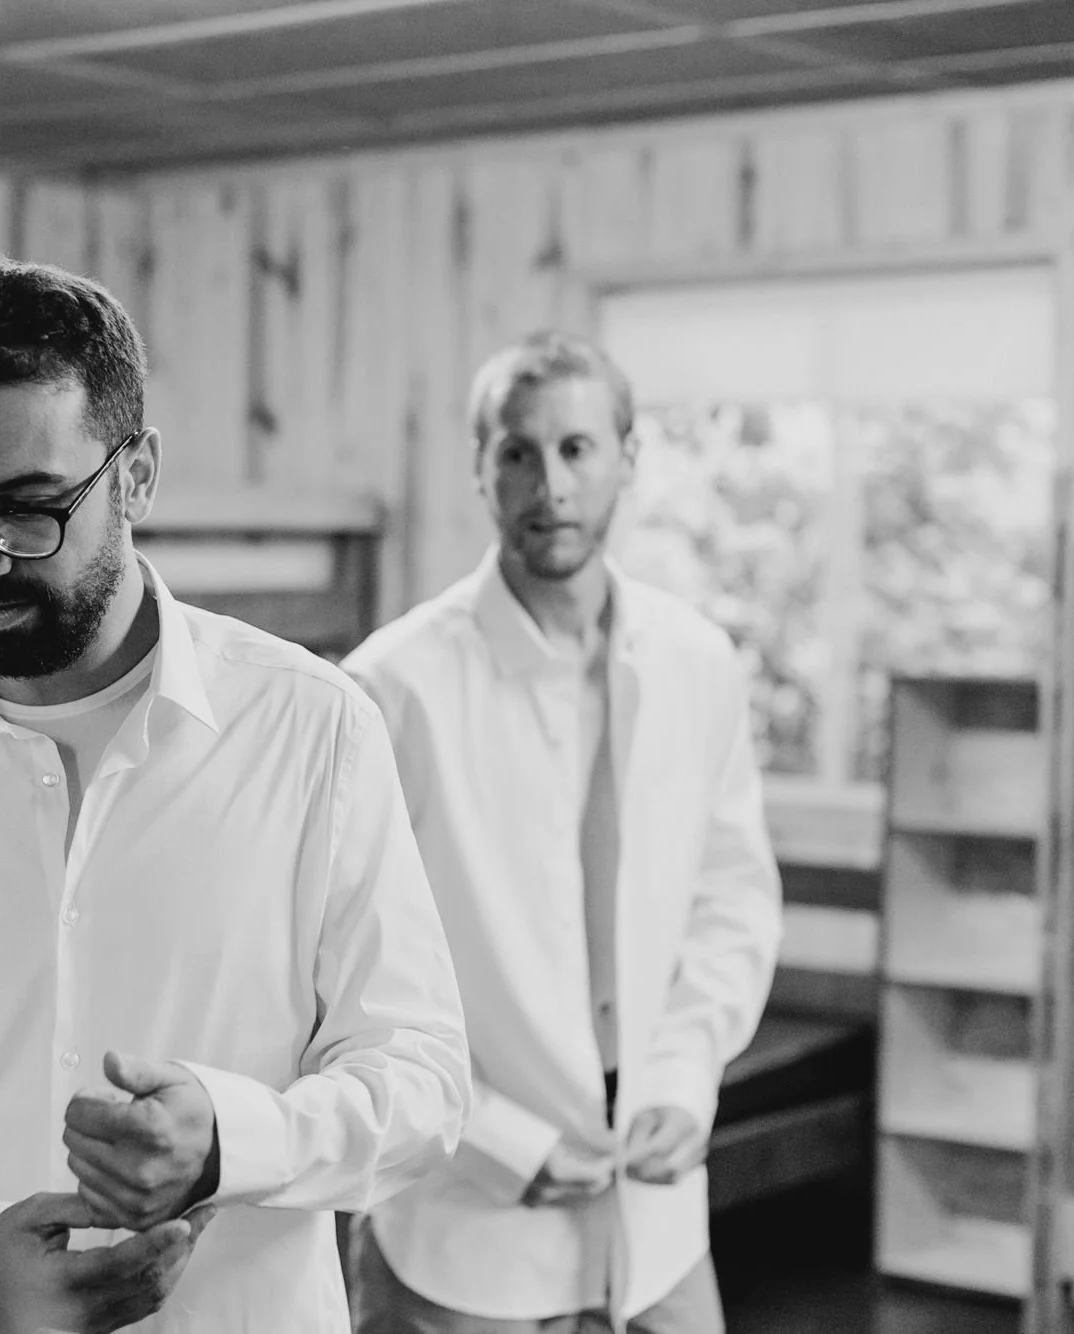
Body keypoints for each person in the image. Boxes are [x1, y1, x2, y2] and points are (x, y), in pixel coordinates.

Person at [0, 258, 472, 1334]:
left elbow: (421, 1078)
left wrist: (230, 1140)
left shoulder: (316, 728)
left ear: (136, 476)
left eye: (28, 511)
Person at [341, 332, 781, 1334]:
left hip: (657, 1219)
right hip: (459, 1237)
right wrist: (494, 1138)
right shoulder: (390, 687)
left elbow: (731, 899)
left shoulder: (697, 661)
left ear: (629, 456)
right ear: (479, 466)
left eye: (577, 448)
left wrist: (686, 1076)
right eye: (518, 453)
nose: (551, 486)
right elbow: (344, 972)